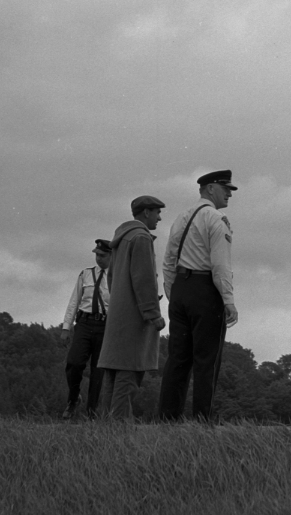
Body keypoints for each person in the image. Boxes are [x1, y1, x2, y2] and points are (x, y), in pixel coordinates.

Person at [157, 169, 239, 421]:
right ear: (210, 189)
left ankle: (167, 420)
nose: (229, 194)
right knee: (207, 361)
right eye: (225, 189)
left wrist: (174, 293)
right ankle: (203, 422)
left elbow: (168, 261)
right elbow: (220, 264)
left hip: (180, 289)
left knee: (177, 359)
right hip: (205, 290)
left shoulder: (181, 218)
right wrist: (228, 300)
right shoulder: (216, 218)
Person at [96, 195, 167, 419]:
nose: (159, 218)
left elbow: (111, 278)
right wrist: (153, 314)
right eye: (157, 212)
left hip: (118, 316)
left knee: (113, 377)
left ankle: (105, 428)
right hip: (135, 320)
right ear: (146, 212)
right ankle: (119, 429)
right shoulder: (141, 238)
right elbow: (144, 280)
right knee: (128, 379)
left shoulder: (121, 238)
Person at [60, 239, 112, 419]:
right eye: (97, 255)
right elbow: (74, 301)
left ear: (111, 256)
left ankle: (92, 412)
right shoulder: (86, 274)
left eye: (103, 255)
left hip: (105, 325)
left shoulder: (116, 277)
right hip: (84, 322)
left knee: (98, 370)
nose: (99, 259)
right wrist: (66, 327)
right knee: (74, 363)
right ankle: (73, 399)